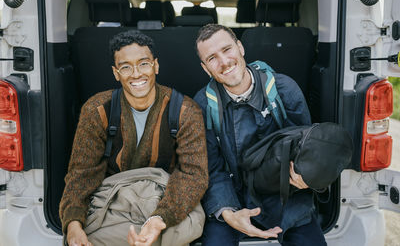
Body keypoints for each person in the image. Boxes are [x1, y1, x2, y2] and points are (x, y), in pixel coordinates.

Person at [59, 30, 208, 246]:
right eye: (126, 67)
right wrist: (73, 224)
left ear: (156, 66)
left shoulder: (186, 111)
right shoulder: (97, 109)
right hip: (114, 204)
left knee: (184, 228)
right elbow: (81, 174)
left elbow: (194, 175)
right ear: (115, 72)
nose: (136, 73)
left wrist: (159, 219)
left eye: (144, 64)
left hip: (167, 202)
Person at [193, 24, 327, 246]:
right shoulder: (203, 105)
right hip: (232, 200)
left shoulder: (285, 90)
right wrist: (227, 212)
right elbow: (212, 168)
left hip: (286, 200)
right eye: (212, 58)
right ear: (206, 69)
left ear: (240, 48)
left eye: (227, 50)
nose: (224, 62)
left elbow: (306, 150)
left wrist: (306, 177)